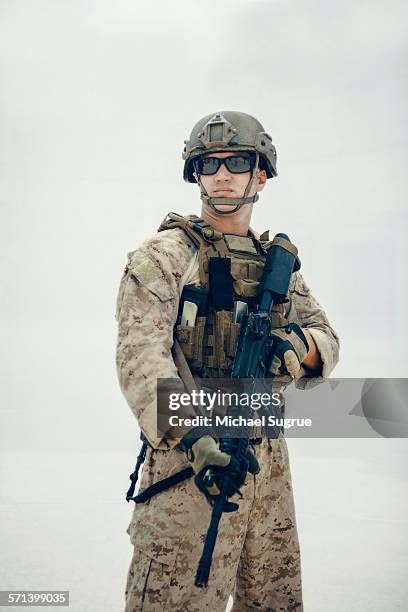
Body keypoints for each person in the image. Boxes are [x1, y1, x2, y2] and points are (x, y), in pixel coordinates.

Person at [116, 111, 339, 611]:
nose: (222, 174)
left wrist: (297, 348)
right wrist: (194, 440)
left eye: (237, 162)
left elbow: (327, 337)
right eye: (209, 163)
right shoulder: (165, 256)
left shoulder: (278, 268)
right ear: (195, 174)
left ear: (260, 175)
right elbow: (141, 357)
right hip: (188, 468)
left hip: (267, 472)